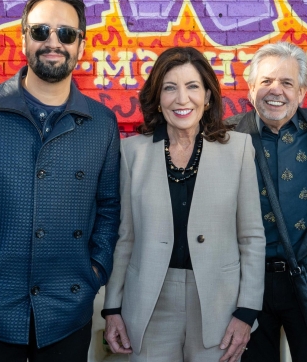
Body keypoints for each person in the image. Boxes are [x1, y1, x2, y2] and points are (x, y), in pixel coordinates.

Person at [0, 0, 120, 362]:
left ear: (81, 43)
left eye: (66, 33)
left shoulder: (102, 123)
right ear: (24, 38)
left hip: (68, 309)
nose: (53, 42)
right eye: (41, 31)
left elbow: (109, 207)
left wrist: (95, 269)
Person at [102, 46, 265, 362]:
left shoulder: (239, 149)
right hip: (149, 305)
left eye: (192, 86)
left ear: (207, 96)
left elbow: (252, 238)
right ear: (157, 98)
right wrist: (112, 307)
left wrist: (246, 311)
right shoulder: (132, 153)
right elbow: (126, 238)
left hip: (219, 305)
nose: (181, 99)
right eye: (169, 88)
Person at [227, 42, 307, 362]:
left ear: (303, 90)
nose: (274, 90)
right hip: (246, 285)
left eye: (287, 82)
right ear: (250, 88)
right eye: (265, 81)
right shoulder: (227, 136)